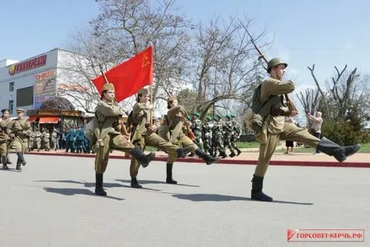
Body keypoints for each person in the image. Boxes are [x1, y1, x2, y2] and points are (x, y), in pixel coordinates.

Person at [250, 58, 360, 202]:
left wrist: (286, 110)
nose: (284, 71)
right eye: (281, 68)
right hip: (269, 128)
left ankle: (338, 151)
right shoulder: (269, 83)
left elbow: (280, 109)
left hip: (280, 124)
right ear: (273, 69)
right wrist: (286, 95)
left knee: (304, 134)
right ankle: (256, 191)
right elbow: (290, 86)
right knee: (264, 160)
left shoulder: (277, 88)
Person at [87, 82, 156, 196]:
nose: (112, 94)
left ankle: (143, 158)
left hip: (113, 133)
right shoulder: (101, 104)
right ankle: (98, 187)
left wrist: (117, 108)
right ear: (104, 94)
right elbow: (114, 111)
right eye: (110, 92)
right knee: (101, 161)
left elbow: (118, 114)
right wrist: (117, 108)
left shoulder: (113, 103)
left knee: (127, 145)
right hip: (103, 135)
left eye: (113, 93)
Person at [128, 88, 189, 188]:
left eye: (147, 96)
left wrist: (155, 126)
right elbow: (139, 108)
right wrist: (149, 107)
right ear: (139, 97)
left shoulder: (149, 109)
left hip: (149, 133)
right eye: (145, 96)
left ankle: (179, 150)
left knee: (163, 142)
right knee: (136, 158)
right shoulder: (137, 106)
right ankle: (133, 179)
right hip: (139, 135)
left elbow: (156, 120)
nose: (147, 97)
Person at [166, 96, 220, 171]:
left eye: (177, 102)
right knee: (172, 158)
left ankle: (208, 158)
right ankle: (169, 177)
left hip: (182, 135)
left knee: (193, 145)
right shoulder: (170, 112)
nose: (176, 104)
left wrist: (187, 123)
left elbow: (181, 123)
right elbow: (178, 108)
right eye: (175, 102)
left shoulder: (179, 113)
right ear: (170, 104)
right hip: (174, 136)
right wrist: (180, 108)